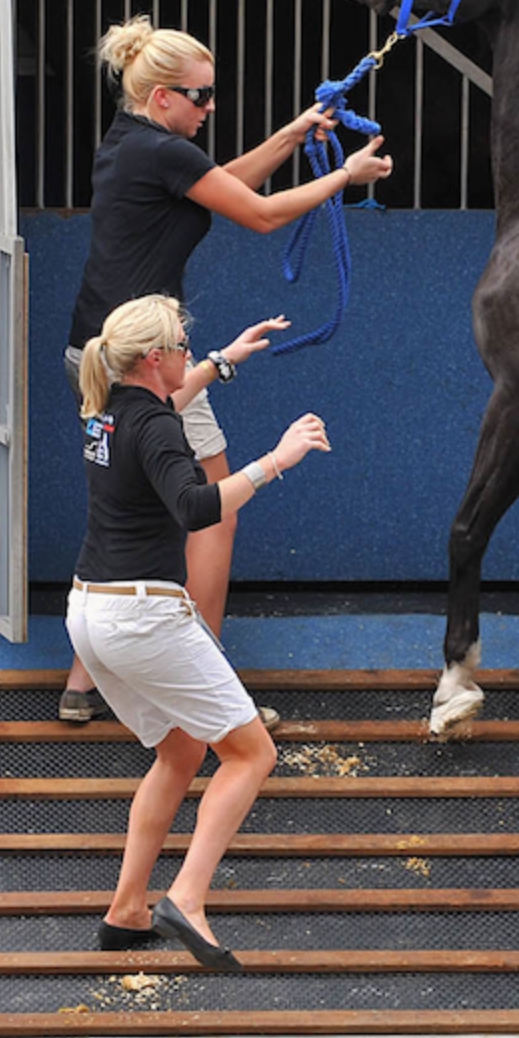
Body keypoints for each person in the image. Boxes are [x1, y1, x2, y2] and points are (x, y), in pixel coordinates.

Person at [59, 13, 392, 722]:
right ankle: (206, 681)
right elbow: (262, 214)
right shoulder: (163, 152)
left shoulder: (131, 143)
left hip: (94, 349)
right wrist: (344, 175)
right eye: (200, 97)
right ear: (161, 99)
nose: (211, 108)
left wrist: (292, 134)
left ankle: (81, 684)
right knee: (214, 514)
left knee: (124, 502)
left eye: (213, 94)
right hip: (146, 362)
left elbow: (224, 186)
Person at [69, 294, 330, 968]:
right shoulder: (157, 426)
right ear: (153, 358)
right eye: (183, 347)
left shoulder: (109, 409)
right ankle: (186, 896)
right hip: (145, 614)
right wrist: (275, 460)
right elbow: (194, 508)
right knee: (250, 754)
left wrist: (224, 360)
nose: (189, 354)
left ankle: (126, 911)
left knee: (182, 752)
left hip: (90, 612)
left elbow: (170, 398)